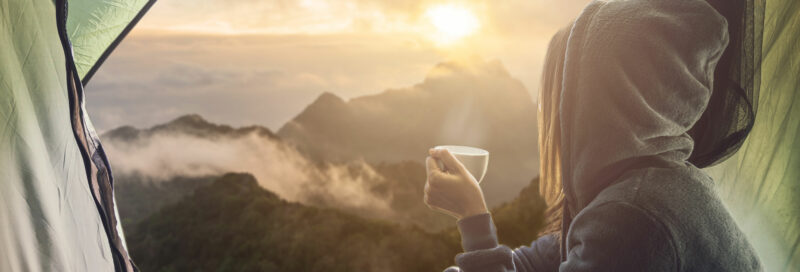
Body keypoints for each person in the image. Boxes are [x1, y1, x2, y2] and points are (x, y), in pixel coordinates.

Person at [424, 0, 763, 271]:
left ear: (595, 105)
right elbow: (533, 262)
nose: (546, 112)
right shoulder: (657, 184)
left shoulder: (634, 216)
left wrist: (473, 218)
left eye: (560, 97)